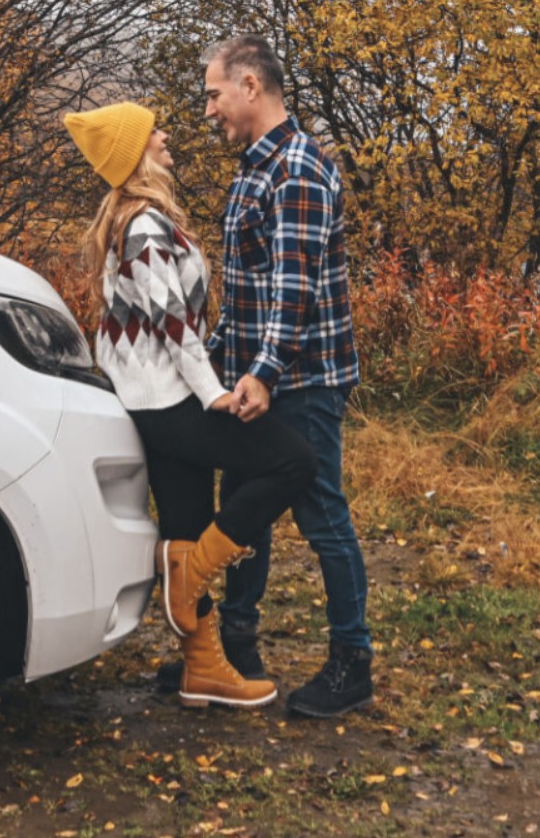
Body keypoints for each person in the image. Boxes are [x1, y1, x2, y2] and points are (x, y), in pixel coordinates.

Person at [63, 100, 315, 709]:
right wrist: (216, 395)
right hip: (169, 399)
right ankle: (193, 572)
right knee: (291, 463)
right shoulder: (144, 224)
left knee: (185, 524)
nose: (167, 136)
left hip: (159, 396)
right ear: (135, 152)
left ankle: (200, 669)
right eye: (155, 133)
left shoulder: (139, 219)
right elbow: (174, 324)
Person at [201, 36, 375, 719]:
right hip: (258, 376)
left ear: (250, 85)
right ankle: (236, 646)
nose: (208, 109)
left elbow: (291, 289)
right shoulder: (253, 169)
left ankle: (351, 663)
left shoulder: (297, 168)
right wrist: (212, 364)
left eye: (214, 93)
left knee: (321, 512)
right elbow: (245, 292)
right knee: (244, 504)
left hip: (304, 381)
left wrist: (266, 373)